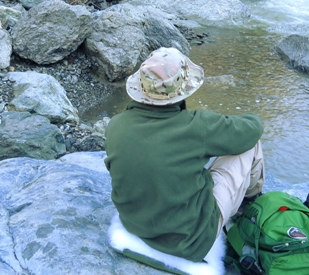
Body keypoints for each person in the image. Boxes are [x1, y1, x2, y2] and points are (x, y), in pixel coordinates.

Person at [104, 46, 264, 263]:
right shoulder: (197, 126)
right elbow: (253, 128)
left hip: (134, 225)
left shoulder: (116, 125)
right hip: (192, 241)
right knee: (250, 146)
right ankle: (251, 203)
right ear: (183, 89)